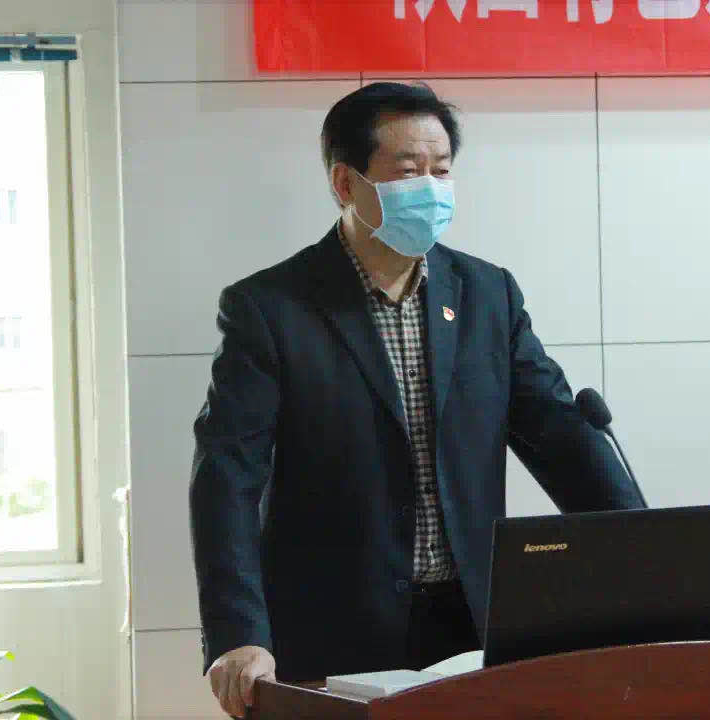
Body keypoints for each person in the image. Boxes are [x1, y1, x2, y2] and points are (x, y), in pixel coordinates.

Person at [189, 81, 645, 717]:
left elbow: (562, 435)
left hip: (472, 626)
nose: (430, 187)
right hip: (331, 629)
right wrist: (238, 632)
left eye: (442, 169)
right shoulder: (270, 308)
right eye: (408, 171)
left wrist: (645, 569)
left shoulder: (488, 294)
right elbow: (228, 476)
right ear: (345, 183)